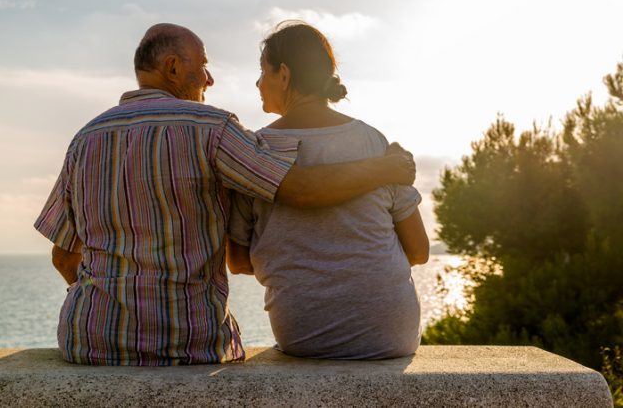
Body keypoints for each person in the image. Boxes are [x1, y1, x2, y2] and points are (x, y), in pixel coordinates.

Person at [34, 23, 417, 366]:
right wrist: (387, 168)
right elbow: (297, 188)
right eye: (202, 65)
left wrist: (107, 305)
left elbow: (64, 256)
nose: (210, 78)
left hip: (90, 341)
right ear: (172, 68)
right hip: (190, 344)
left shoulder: (85, 139)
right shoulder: (211, 128)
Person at [227, 21, 430, 360]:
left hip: (305, 337)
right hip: (392, 337)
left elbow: (238, 262)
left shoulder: (256, 151)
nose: (258, 83)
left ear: (285, 74)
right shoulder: (373, 141)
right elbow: (420, 251)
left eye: (263, 71)